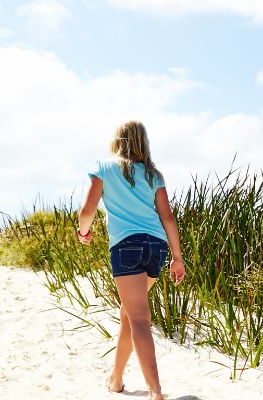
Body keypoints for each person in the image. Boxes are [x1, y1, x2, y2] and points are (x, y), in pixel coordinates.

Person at [76, 120, 187, 400]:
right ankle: (116, 379)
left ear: (118, 140)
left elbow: (88, 209)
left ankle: (155, 391)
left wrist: (83, 232)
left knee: (138, 317)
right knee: (129, 314)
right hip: (156, 246)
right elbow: (168, 217)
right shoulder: (153, 174)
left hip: (127, 246)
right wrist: (177, 257)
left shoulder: (104, 167)